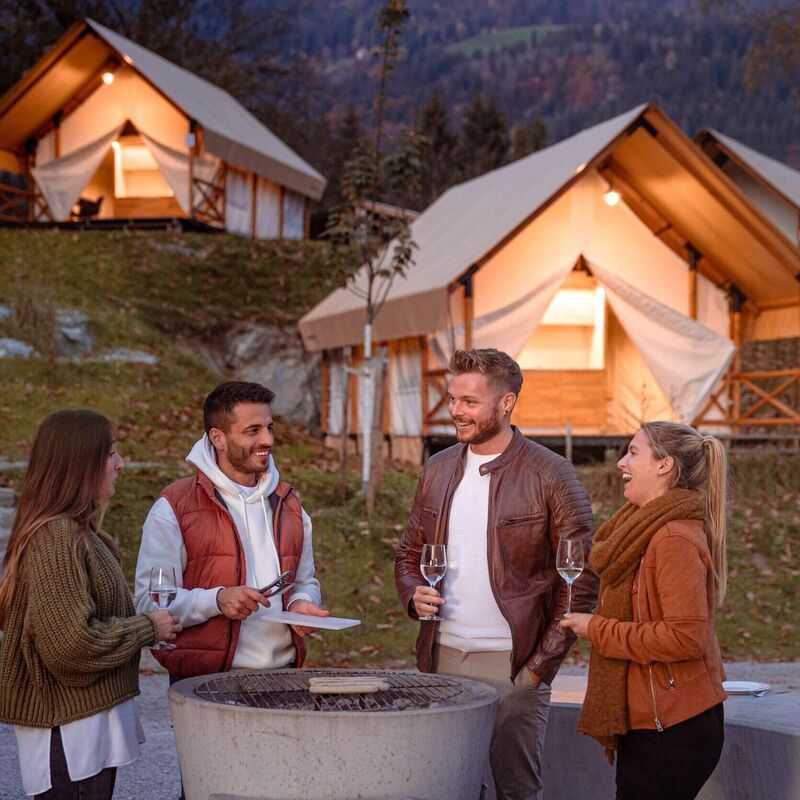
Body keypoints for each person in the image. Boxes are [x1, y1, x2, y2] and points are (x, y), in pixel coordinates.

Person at [395, 348, 598, 800]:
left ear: (505, 404)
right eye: (452, 399)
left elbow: (580, 581)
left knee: (516, 792)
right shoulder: (437, 468)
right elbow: (409, 554)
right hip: (441, 658)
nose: (455, 411)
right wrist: (412, 593)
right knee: (446, 786)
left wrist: (538, 669)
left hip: (514, 664)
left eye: (469, 402)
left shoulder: (552, 474)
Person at [0, 410, 180, 800]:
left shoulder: (74, 531)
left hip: (83, 726)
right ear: (79, 464)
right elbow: (70, 645)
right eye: (110, 454)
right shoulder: (57, 536)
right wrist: (148, 627)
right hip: (69, 731)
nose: (121, 464)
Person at [560, 421, 728, 800]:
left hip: (672, 728)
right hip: (653, 722)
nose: (622, 463)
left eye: (633, 453)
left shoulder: (671, 538)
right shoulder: (644, 529)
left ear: (664, 465)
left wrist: (597, 629)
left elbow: (687, 637)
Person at [134, 380, 328, 681]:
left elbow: (305, 581)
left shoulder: (290, 506)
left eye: (270, 428)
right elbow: (150, 602)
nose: (268, 440)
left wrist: (303, 601)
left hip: (285, 678)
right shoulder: (173, 506)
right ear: (218, 438)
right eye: (253, 431)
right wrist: (216, 601)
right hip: (205, 683)